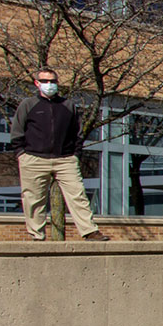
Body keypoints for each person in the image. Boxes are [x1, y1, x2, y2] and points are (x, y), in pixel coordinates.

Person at [13, 69, 108, 241]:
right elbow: (17, 132)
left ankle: (89, 231)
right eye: (45, 81)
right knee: (33, 199)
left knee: (77, 194)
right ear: (37, 83)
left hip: (65, 159)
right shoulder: (27, 105)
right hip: (33, 158)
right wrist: (21, 153)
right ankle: (37, 235)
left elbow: (77, 133)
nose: (49, 85)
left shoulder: (68, 105)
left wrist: (75, 154)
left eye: (53, 81)